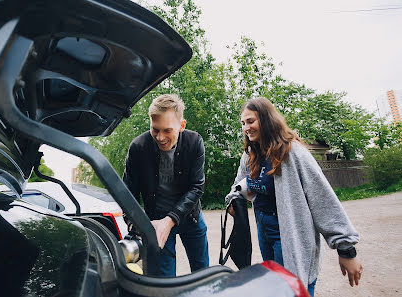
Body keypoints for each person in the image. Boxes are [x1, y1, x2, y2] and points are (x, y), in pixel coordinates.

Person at [224, 97, 363, 296]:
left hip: (289, 230)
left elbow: (323, 199)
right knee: (275, 285)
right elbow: (237, 187)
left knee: (294, 287)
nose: (246, 128)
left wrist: (346, 249)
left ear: (267, 119)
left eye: (251, 121)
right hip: (264, 229)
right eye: (243, 123)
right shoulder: (250, 155)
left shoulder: (293, 153)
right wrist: (233, 199)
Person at [123, 94, 209, 277]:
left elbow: (196, 187)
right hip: (156, 221)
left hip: (190, 217)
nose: (160, 137)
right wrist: (133, 222)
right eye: (155, 130)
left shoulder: (195, 143)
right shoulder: (138, 147)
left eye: (167, 130)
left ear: (182, 126)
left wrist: (170, 221)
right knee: (163, 282)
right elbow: (127, 192)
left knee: (202, 274)